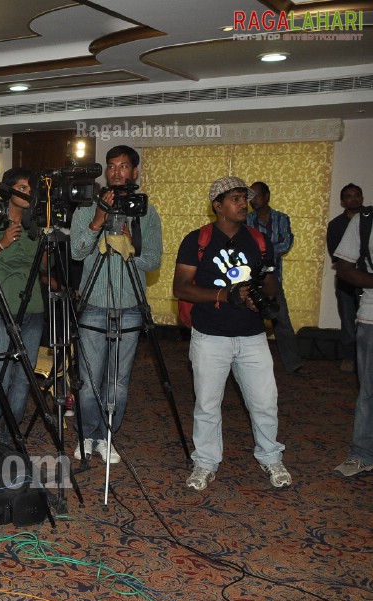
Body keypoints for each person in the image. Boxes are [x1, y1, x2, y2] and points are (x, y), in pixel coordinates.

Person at [173, 176, 292, 491]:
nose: (244, 204)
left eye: (245, 198)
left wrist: (264, 297)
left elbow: (268, 277)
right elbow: (181, 287)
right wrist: (226, 295)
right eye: (236, 198)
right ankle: (205, 463)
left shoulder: (258, 240)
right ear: (218, 206)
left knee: (265, 401)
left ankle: (271, 457)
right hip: (210, 335)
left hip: (252, 336)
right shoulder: (196, 240)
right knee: (208, 404)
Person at [70, 145, 162, 464]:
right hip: (93, 304)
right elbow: (77, 253)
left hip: (129, 306)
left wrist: (132, 247)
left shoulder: (146, 212)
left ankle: (107, 436)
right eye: (112, 166)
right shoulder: (86, 209)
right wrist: (97, 222)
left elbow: (153, 261)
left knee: (118, 383)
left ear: (135, 172)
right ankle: (87, 435)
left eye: (124, 166)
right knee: (88, 381)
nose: (117, 172)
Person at [0, 167, 47, 443]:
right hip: (1, 303)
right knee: (1, 374)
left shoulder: (36, 226)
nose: (27, 192)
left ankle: (11, 435)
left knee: (23, 376)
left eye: (31, 188)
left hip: (33, 306)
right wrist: (3, 243)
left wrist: (45, 238)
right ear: (8, 191)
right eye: (22, 187)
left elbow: (44, 267)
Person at [246, 181, 308, 375]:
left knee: (282, 322)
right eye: (250, 197)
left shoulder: (282, 218)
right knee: (246, 321)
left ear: (267, 196)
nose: (252, 200)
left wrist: (262, 251)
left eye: (256, 196)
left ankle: (294, 364)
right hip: (249, 280)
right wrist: (267, 250)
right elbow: (246, 247)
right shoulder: (246, 221)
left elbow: (286, 244)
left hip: (273, 279)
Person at [330, 203, 373, 477]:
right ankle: (362, 454)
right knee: (368, 393)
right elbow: (344, 268)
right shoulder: (365, 220)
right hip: (372, 320)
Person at [327, 183, 364, 373]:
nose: (353, 199)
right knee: (348, 321)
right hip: (346, 280)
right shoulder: (335, 225)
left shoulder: (370, 220)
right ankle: (348, 357)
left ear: (362, 198)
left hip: (369, 280)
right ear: (342, 201)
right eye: (348, 196)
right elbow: (336, 255)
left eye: (357, 195)